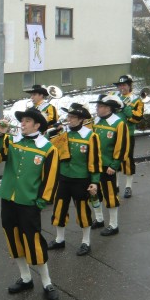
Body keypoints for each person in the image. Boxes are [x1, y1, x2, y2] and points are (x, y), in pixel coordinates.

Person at [0, 108, 60, 300]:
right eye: (23, 120)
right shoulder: (13, 140)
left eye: (27, 121)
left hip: (28, 203)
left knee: (33, 241)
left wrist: (40, 202)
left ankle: (47, 282)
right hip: (8, 199)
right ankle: (26, 277)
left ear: (37, 125)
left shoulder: (47, 148)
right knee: (13, 239)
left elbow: (50, 179)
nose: (23, 123)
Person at [48, 103, 102, 256]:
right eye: (68, 116)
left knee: (83, 211)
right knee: (59, 208)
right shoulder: (63, 133)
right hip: (64, 177)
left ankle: (86, 241)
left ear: (81, 120)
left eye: (72, 117)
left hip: (81, 179)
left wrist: (94, 182)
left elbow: (95, 161)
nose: (69, 119)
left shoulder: (90, 136)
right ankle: (59, 239)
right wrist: (53, 132)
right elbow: (49, 146)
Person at [90, 94, 130, 236]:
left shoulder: (118, 124)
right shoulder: (97, 120)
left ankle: (114, 225)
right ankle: (99, 219)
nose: (97, 108)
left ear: (108, 108)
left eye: (99, 106)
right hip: (95, 165)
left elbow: (122, 146)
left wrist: (114, 165)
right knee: (95, 194)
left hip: (108, 167)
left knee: (110, 195)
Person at [115, 75, 144, 198]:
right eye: (120, 85)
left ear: (129, 86)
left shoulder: (136, 100)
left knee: (127, 159)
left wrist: (126, 109)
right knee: (113, 158)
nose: (122, 87)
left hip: (127, 133)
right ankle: (115, 185)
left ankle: (128, 186)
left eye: (124, 85)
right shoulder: (114, 97)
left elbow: (138, 118)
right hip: (114, 132)